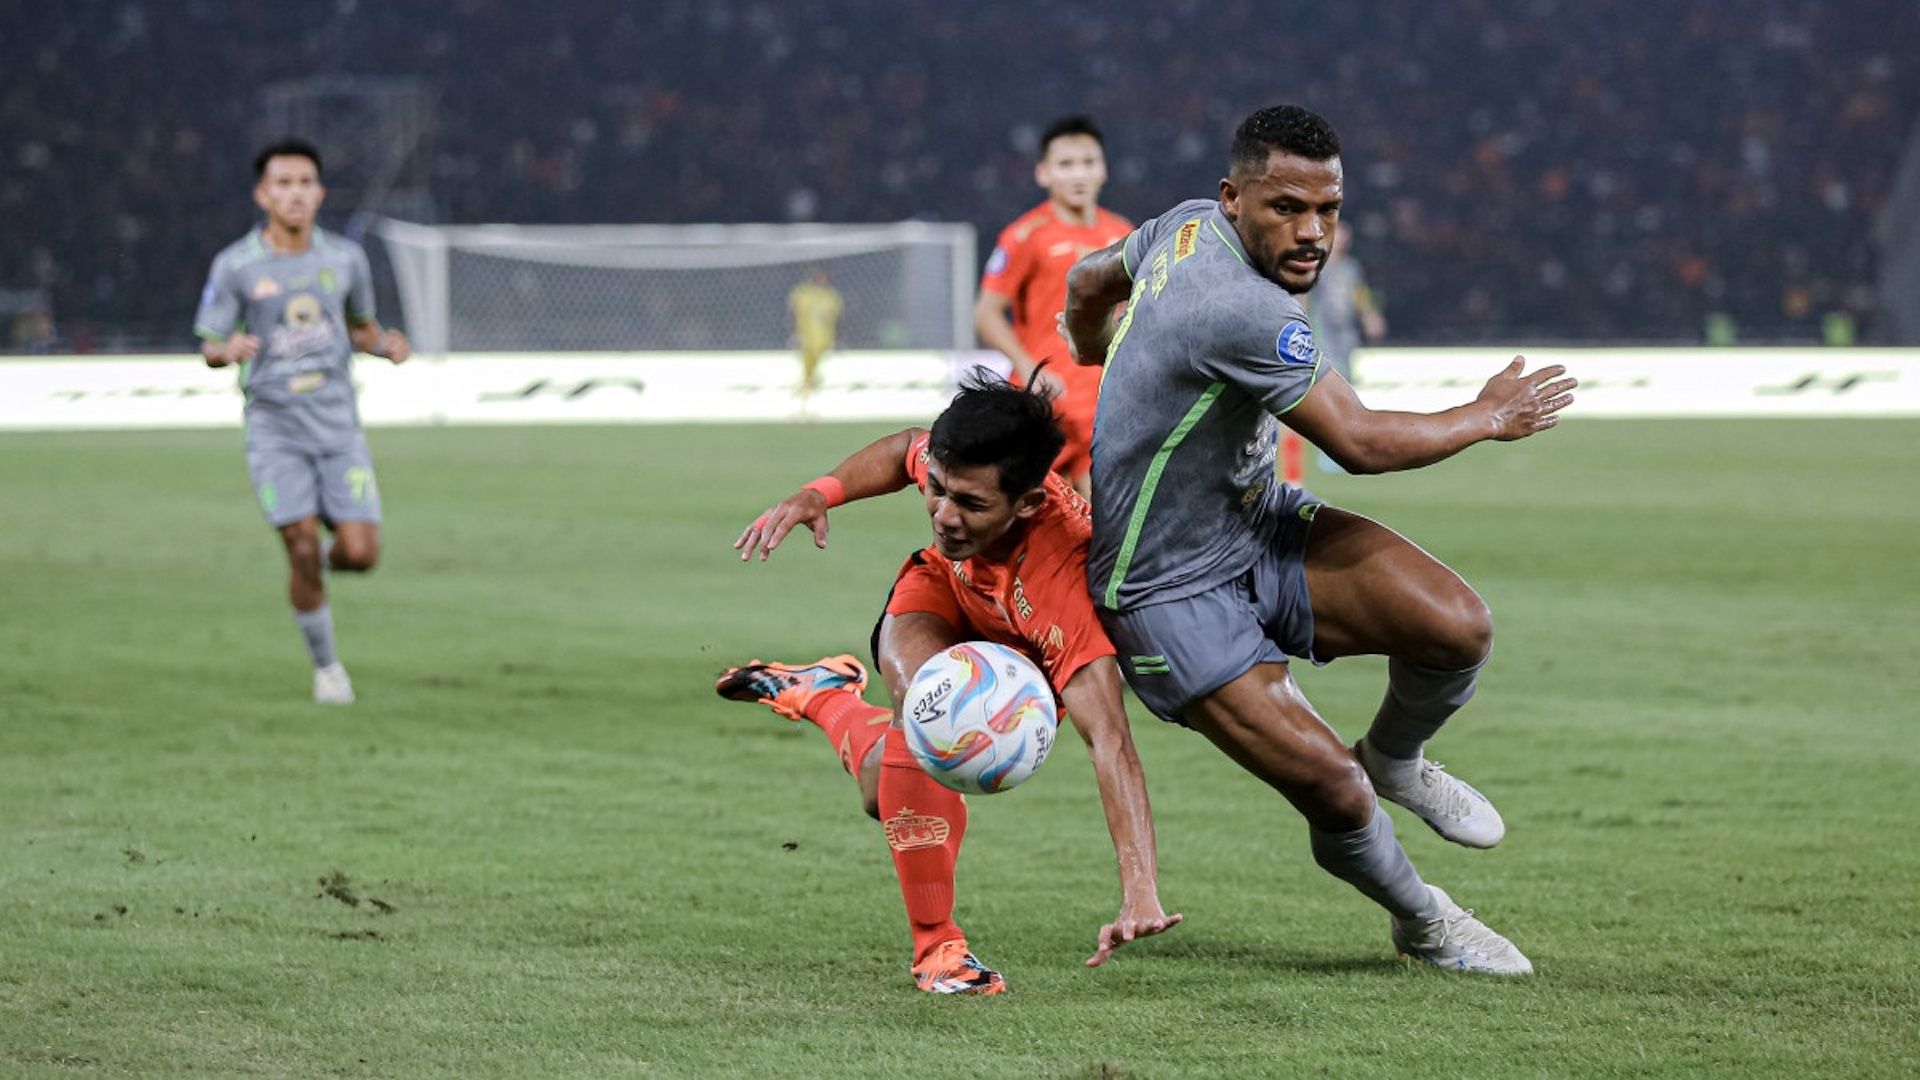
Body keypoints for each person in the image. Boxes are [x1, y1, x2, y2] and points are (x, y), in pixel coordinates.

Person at [1062, 105, 1576, 974]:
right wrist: (1487, 416)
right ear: (1234, 199)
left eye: (1328, 210)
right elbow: (1362, 443)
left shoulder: (1182, 226)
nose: (1312, 234)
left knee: (1457, 627)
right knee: (1332, 790)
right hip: (1165, 592)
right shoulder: (1240, 308)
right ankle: (1424, 918)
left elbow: (1084, 281)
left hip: (1254, 523)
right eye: (1285, 208)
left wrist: (1091, 351)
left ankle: (1398, 759)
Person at [721, 376, 1180, 994]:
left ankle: (826, 695)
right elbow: (904, 447)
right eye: (936, 490)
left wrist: (1140, 888)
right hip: (941, 596)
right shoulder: (957, 469)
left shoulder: (1060, 581)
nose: (943, 513)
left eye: (969, 504)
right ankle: (938, 949)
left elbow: (1110, 741)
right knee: (929, 712)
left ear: (1027, 504)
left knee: (882, 788)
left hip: (1019, 667)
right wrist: (817, 493)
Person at [193, 139, 411, 704]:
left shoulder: (344, 259)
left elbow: (361, 327)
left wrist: (384, 344)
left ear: (319, 193)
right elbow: (210, 344)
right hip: (275, 428)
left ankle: (310, 579)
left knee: (360, 555)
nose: (295, 194)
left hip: (338, 427)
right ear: (263, 194)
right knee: (302, 544)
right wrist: (227, 350)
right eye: (283, 184)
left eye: (304, 183)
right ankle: (328, 669)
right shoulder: (237, 266)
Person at [974, 116, 1132, 500]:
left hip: (1104, 404)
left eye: (1088, 162)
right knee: (1030, 524)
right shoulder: (1025, 235)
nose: (1078, 174)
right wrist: (1030, 369)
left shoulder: (1125, 235)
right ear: (1043, 173)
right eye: (1065, 165)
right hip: (1044, 404)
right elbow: (986, 313)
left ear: (1103, 170)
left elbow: (1133, 314)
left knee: (1108, 528)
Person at [1304, 227, 1387, 471]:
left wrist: (1370, 315)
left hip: (1346, 339)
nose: (1341, 242)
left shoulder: (1350, 268)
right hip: (1324, 338)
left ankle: (1343, 448)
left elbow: (1359, 295)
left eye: (1345, 237)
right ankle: (1329, 452)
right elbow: (1305, 297)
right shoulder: (1316, 266)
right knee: (1330, 393)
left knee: (1347, 391)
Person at [787, 265, 843, 412]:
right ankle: (806, 394)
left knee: (815, 364)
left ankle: (808, 389)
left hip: (825, 338)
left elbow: (837, 319)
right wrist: (794, 333)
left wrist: (837, 338)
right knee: (807, 364)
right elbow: (793, 315)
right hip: (806, 337)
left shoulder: (831, 296)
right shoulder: (801, 294)